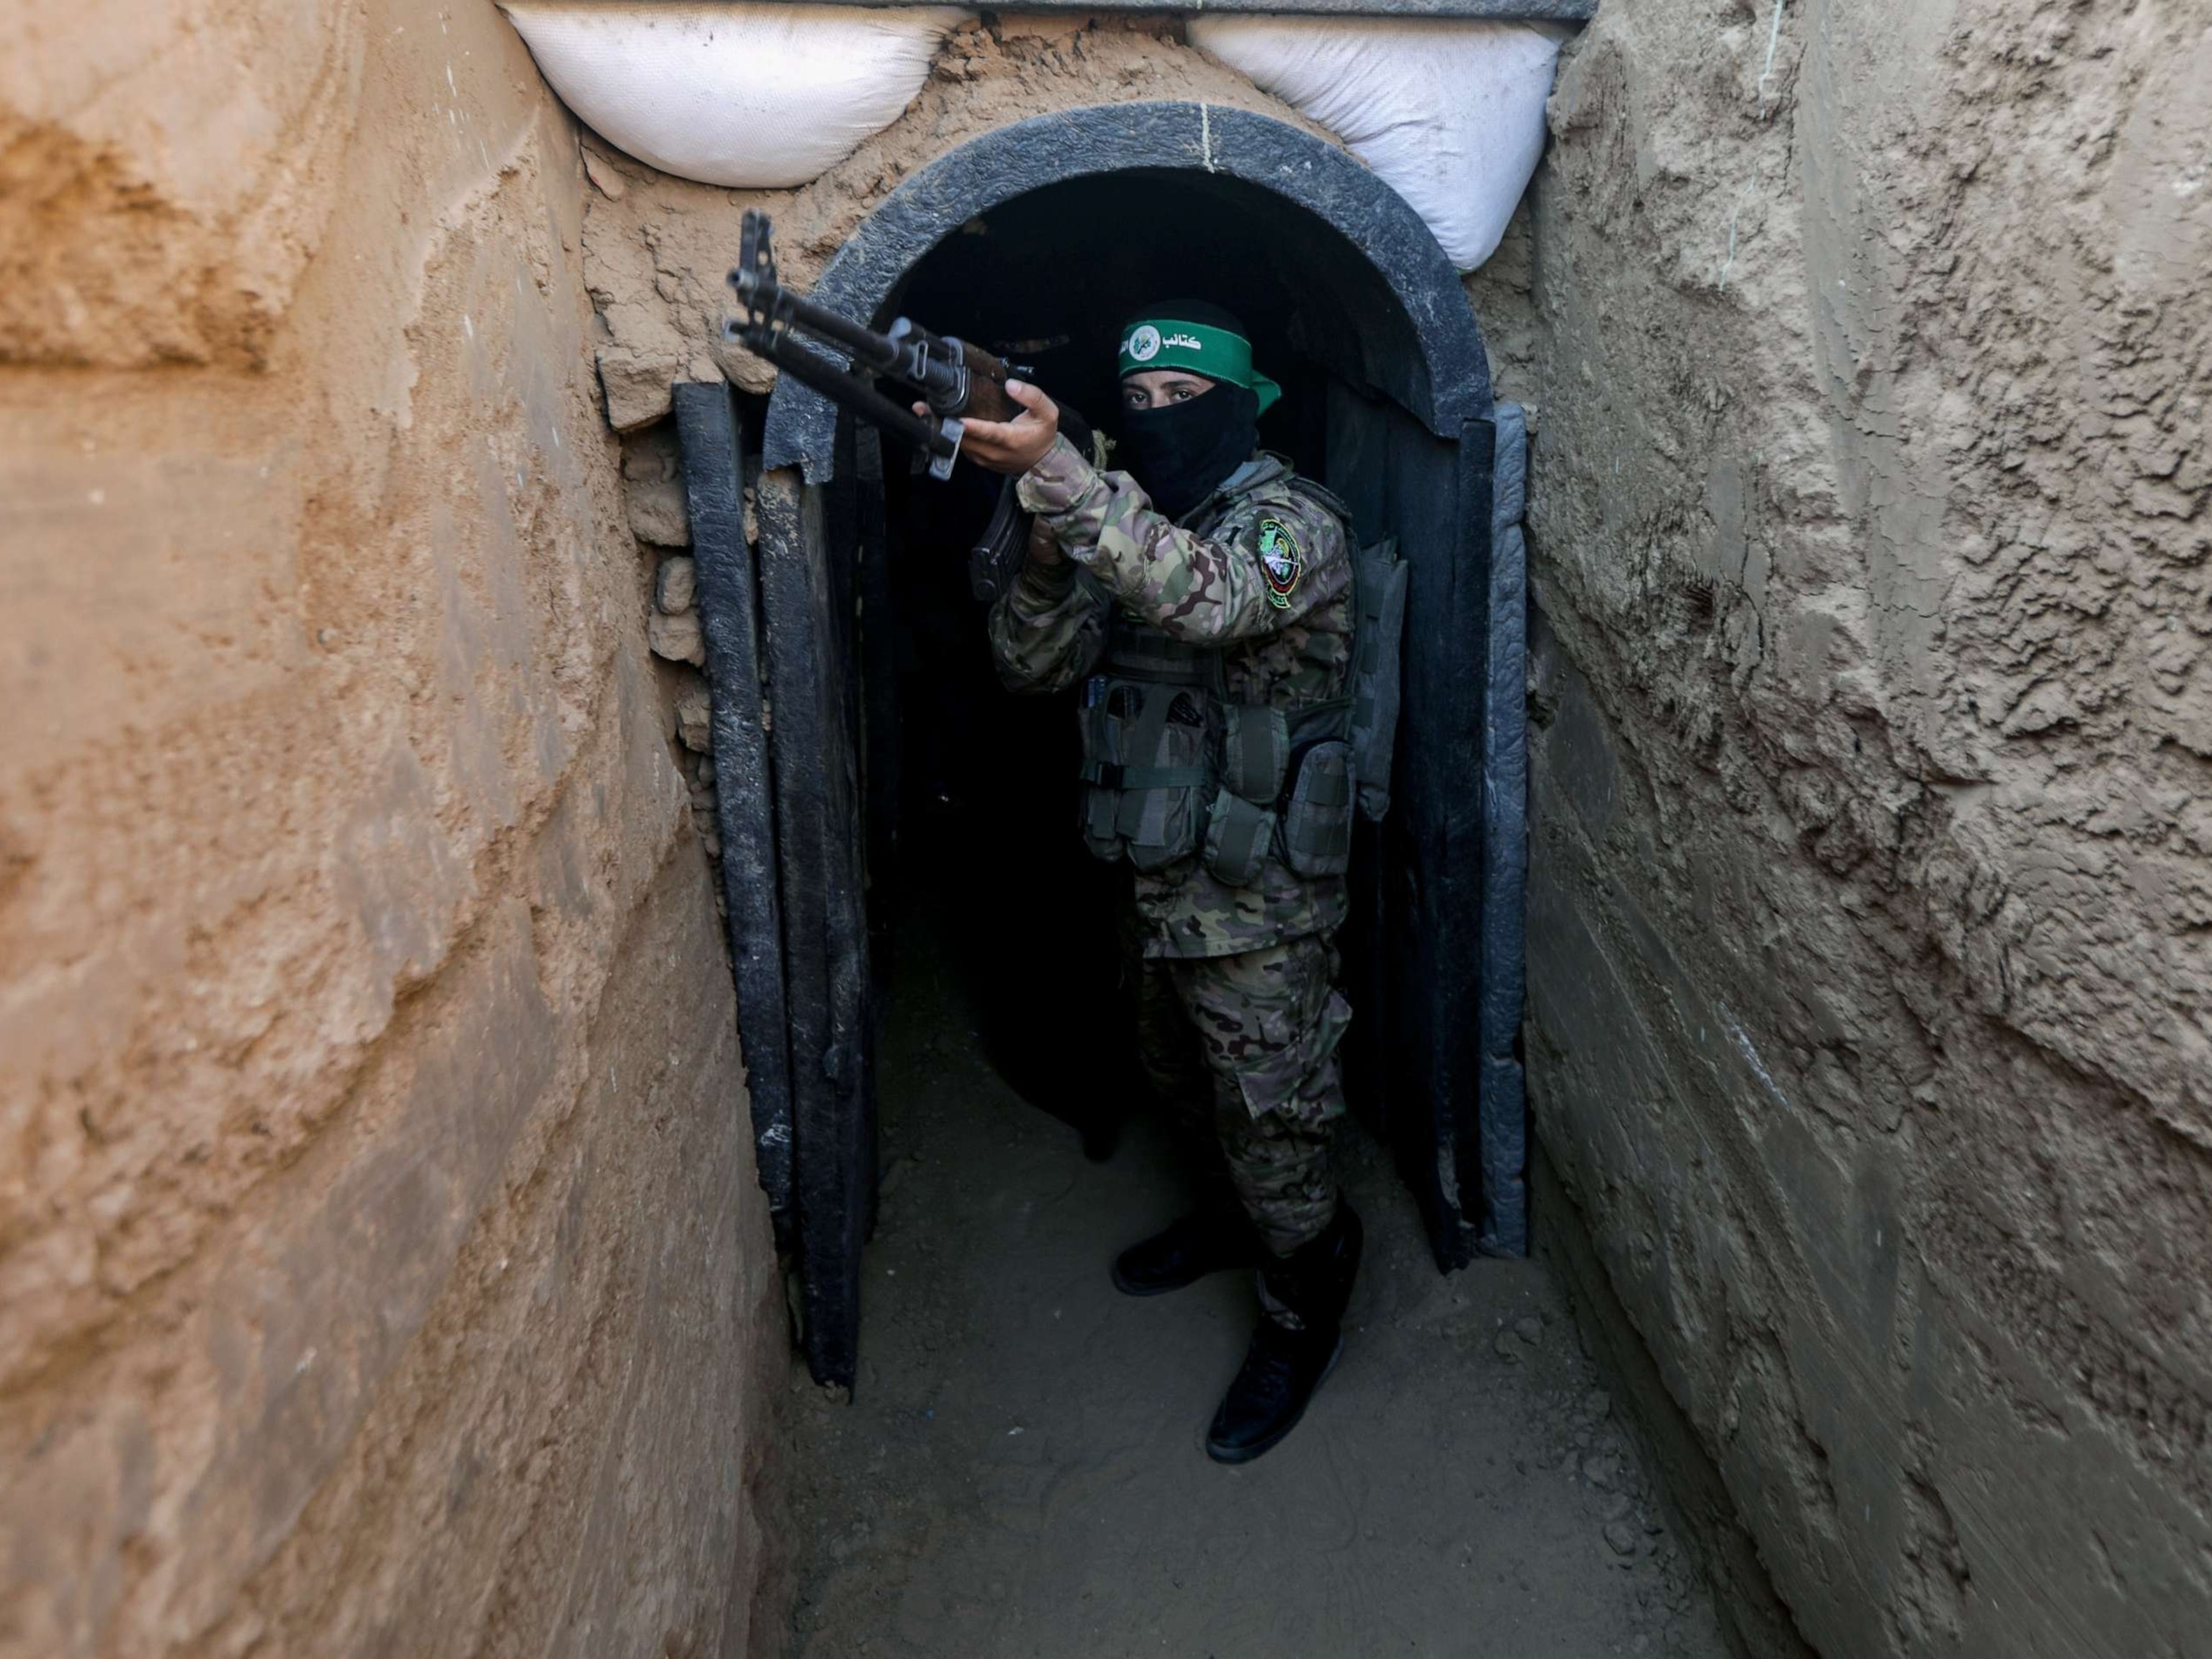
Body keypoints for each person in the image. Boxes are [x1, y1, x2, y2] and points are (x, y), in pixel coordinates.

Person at [950, 302, 1364, 1465]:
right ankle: (1241, 1222)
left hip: (1262, 895)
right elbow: (1031, 670)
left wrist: (1074, 485)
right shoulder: (1120, 521)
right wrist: (1043, 554)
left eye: (1187, 401)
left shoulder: (1290, 524)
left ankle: (1306, 1293)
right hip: (1153, 877)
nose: (1161, 422)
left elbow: (1215, 599)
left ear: (1247, 403)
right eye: (1140, 403)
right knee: (1179, 1075)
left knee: (1274, 1113)